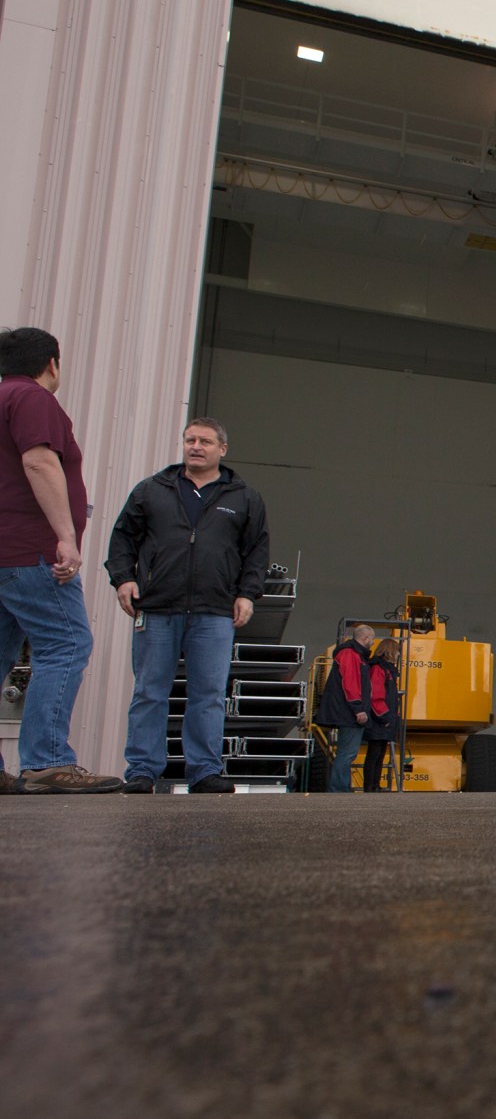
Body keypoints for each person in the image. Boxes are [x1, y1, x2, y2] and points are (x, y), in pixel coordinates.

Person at [105, 418, 270, 795]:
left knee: (209, 694)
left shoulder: (244, 497)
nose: (196, 446)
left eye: (206, 441)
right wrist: (123, 579)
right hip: (158, 607)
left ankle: (204, 771)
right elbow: (122, 538)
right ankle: (143, 770)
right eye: (190, 440)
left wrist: (247, 593)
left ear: (222, 449)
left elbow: (257, 551)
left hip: (215, 611)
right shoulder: (152, 490)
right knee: (149, 690)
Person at [0, 328, 119, 793]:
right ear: (52, 362)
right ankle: (47, 761)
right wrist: (65, 536)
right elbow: (38, 463)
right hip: (31, 551)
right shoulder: (32, 399)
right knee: (66, 645)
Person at [312, 623, 376, 791]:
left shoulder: (351, 653)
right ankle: (339, 789)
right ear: (365, 638)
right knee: (347, 753)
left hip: (345, 711)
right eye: (372, 639)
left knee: (346, 753)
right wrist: (358, 708)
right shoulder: (351, 654)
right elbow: (351, 682)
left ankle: (341, 788)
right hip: (349, 713)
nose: (374, 643)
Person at [361, 637, 403, 792]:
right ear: (391, 651)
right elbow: (376, 696)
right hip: (380, 719)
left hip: (383, 718)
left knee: (378, 754)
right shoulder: (379, 669)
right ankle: (371, 787)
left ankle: (374, 786)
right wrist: (385, 717)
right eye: (398, 651)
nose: (399, 655)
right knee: (375, 754)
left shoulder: (383, 669)